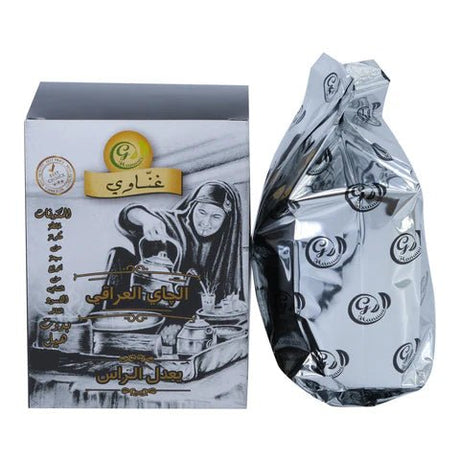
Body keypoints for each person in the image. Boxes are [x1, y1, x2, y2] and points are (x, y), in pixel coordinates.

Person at [99, 181, 244, 319]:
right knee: (119, 254)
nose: (206, 222)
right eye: (201, 212)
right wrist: (146, 218)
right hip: (145, 307)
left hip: (190, 318)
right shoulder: (170, 222)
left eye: (216, 217)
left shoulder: (225, 245)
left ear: (226, 219)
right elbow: (127, 215)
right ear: (192, 206)